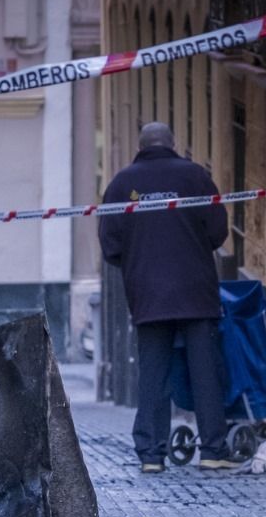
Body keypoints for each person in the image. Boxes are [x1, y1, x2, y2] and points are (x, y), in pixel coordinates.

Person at [98, 122, 236, 472]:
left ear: (140, 145)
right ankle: (213, 451)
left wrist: (136, 264)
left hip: (147, 294)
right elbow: (218, 231)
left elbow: (110, 244)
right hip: (196, 291)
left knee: (153, 373)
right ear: (173, 144)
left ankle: (151, 454)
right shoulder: (196, 177)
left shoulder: (121, 184)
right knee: (204, 371)